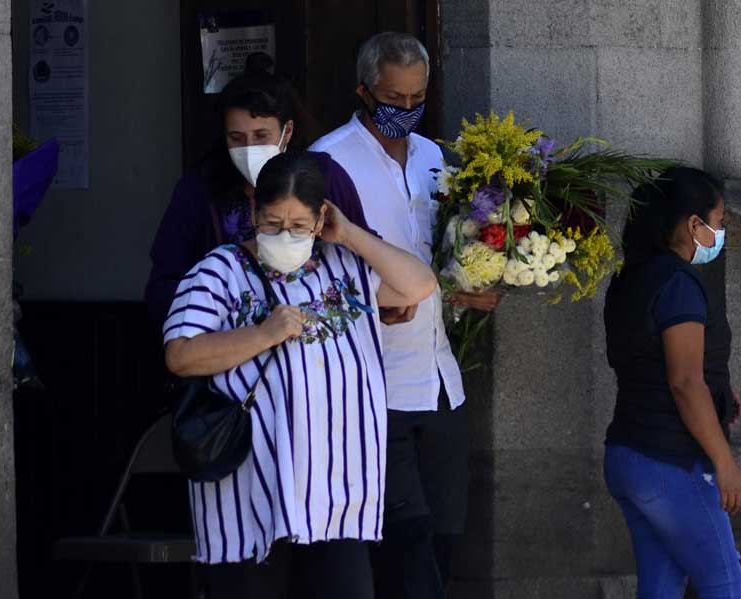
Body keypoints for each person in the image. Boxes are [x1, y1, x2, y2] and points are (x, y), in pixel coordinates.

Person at [164, 151, 438, 598]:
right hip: (250, 497)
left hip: (337, 496)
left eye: (298, 225)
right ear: (254, 214)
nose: (284, 235)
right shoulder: (218, 273)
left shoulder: (344, 267)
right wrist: (263, 333)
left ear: (319, 219)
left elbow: (418, 285)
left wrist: (349, 234)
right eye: (272, 223)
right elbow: (181, 355)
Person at [310, 32, 498, 598]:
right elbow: (317, 266)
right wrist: (376, 301)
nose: (408, 111)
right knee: (406, 550)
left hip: (440, 380)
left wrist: (474, 284)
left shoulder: (433, 158)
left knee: (444, 539)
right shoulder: (328, 160)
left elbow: (443, 254)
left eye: (419, 98)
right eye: (395, 99)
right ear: (364, 91)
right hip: (374, 385)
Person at [603, 167, 741, 599]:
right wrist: (725, 463)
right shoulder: (679, 283)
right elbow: (685, 382)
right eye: (718, 223)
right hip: (671, 460)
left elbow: (649, 362)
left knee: (662, 583)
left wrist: (720, 393)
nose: (720, 233)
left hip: (628, 453)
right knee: (723, 581)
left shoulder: (632, 277)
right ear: (693, 225)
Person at [145, 53, 371, 326]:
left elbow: (368, 260)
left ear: (287, 132)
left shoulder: (323, 177)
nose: (249, 148)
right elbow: (163, 287)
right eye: (237, 138)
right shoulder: (199, 190)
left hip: (314, 344)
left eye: (261, 136)